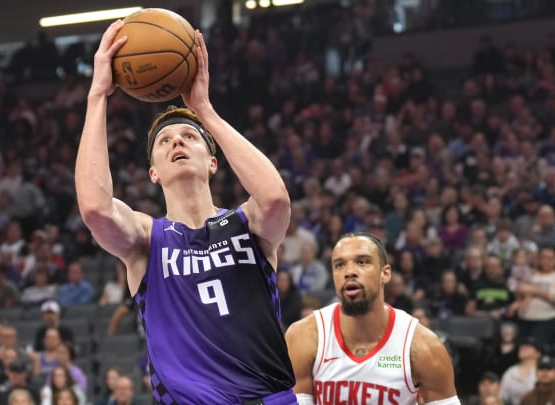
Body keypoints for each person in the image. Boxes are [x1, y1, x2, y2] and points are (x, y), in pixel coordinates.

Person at [75, 20, 295, 403]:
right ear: (154, 173)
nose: (177, 140)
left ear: (213, 162)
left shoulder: (248, 224)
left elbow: (276, 199)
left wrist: (204, 112)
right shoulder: (146, 239)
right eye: (165, 141)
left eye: (189, 137)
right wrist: (97, 95)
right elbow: (95, 209)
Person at [285, 232, 459, 404]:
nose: (349, 272)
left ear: (385, 273)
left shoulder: (424, 347)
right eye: (339, 265)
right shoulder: (304, 337)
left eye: (362, 262)